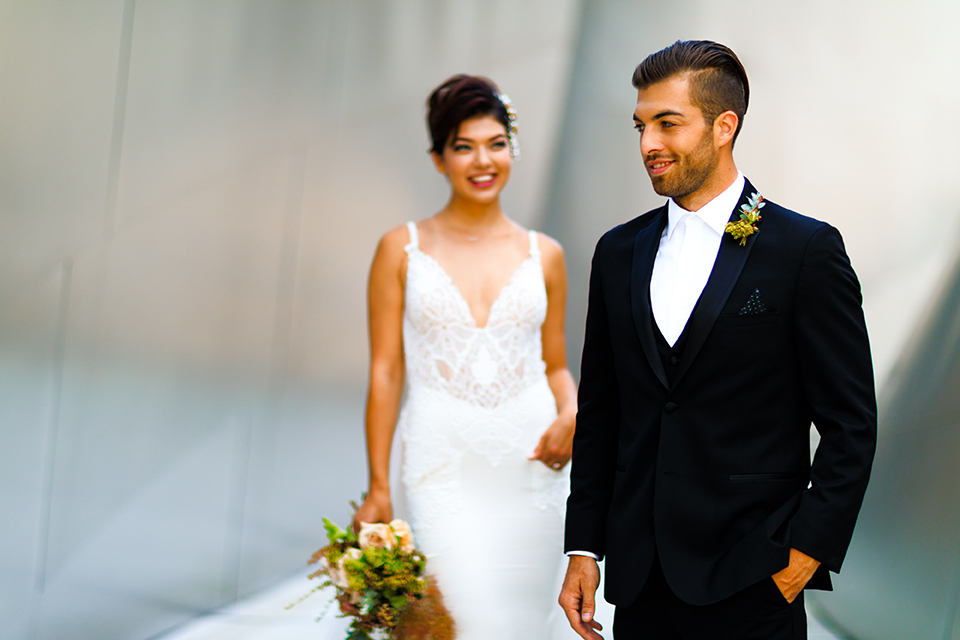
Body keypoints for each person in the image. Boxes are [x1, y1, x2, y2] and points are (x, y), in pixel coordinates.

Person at [559, 40, 877, 640]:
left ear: (724, 126)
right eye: (641, 126)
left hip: (754, 576)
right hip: (640, 579)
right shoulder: (617, 252)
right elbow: (601, 413)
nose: (648, 144)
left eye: (667, 123)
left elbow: (851, 423)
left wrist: (805, 554)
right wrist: (583, 548)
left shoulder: (803, 251)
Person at [353, 74, 580, 639]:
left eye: (495, 144)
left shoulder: (544, 255)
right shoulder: (399, 249)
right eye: (463, 146)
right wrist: (378, 484)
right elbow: (385, 371)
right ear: (438, 159)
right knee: (451, 619)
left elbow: (555, 363)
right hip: (440, 466)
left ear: (512, 149)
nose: (483, 161)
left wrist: (573, 413)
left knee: (519, 621)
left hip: (533, 466)